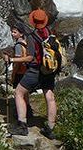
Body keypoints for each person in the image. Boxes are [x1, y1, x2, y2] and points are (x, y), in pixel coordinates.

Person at [9, 9, 58, 139]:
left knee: (18, 93)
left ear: (33, 22)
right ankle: (50, 128)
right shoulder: (50, 32)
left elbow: (30, 57)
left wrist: (12, 59)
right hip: (49, 69)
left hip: (35, 70)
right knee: (50, 96)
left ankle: (22, 125)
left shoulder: (32, 36)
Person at [3, 22, 32, 120]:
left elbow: (18, 62)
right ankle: (28, 109)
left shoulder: (18, 45)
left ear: (21, 33)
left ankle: (20, 112)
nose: (12, 34)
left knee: (18, 93)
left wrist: (13, 74)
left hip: (20, 72)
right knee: (25, 93)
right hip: (26, 71)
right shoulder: (25, 42)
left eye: (15, 32)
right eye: (12, 32)